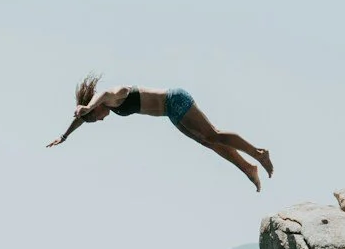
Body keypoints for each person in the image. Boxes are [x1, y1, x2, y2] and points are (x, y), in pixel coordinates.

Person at [47, 76, 274, 189]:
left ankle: (259, 153)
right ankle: (247, 168)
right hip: (170, 113)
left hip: (175, 99)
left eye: (96, 118)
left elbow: (104, 93)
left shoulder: (114, 95)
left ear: (95, 107)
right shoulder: (106, 107)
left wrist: (85, 108)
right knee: (209, 142)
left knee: (212, 134)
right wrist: (65, 135)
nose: (101, 120)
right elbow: (82, 119)